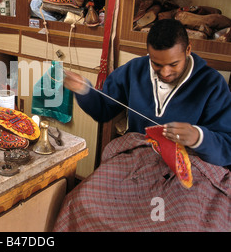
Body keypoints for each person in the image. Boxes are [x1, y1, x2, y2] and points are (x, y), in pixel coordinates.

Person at [54, 18, 231, 231]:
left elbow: (226, 145)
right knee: (80, 200)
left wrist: (198, 136)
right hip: (138, 161)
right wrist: (83, 90)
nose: (165, 72)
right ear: (149, 54)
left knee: (181, 225)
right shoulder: (134, 71)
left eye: (173, 64)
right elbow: (103, 109)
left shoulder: (211, 83)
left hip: (190, 169)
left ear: (188, 51)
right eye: (157, 64)